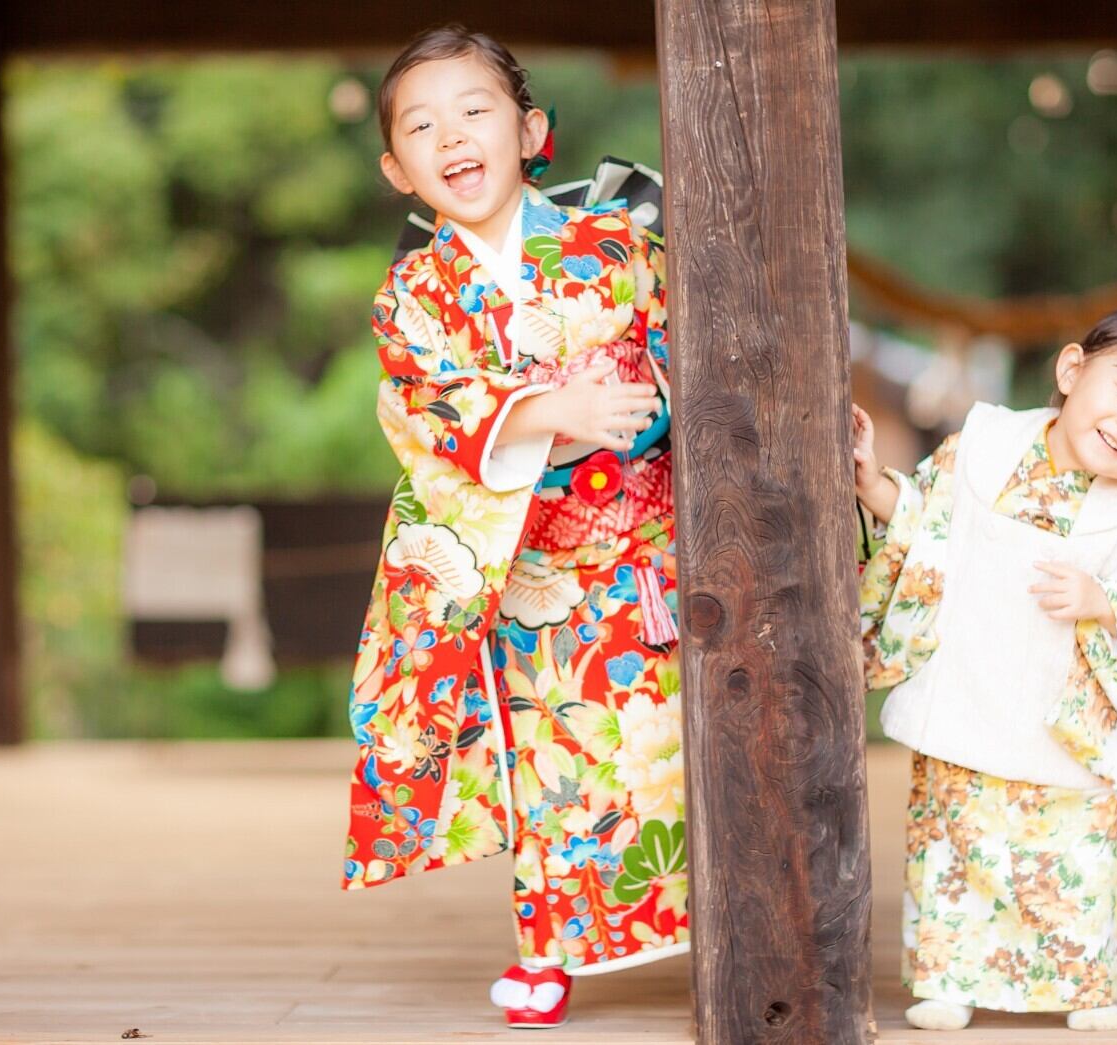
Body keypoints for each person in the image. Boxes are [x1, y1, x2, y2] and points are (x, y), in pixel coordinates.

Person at [342, 25, 687, 1029]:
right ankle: (549, 947)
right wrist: (547, 415)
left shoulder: (621, 245)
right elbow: (425, 414)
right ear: (396, 168)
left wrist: (640, 400)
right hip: (527, 572)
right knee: (551, 754)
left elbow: (688, 352)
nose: (452, 134)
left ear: (532, 129)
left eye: (475, 109)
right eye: (422, 124)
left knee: (678, 740)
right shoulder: (411, 293)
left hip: (646, 552)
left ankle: (720, 910)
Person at [852, 306, 1117, 1031]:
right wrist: (872, 486)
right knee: (955, 842)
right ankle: (947, 975)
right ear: (1071, 370)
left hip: (1061, 712)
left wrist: (1101, 600)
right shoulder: (984, 444)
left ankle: (1079, 982)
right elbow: (923, 523)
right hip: (968, 680)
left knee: (1069, 853)